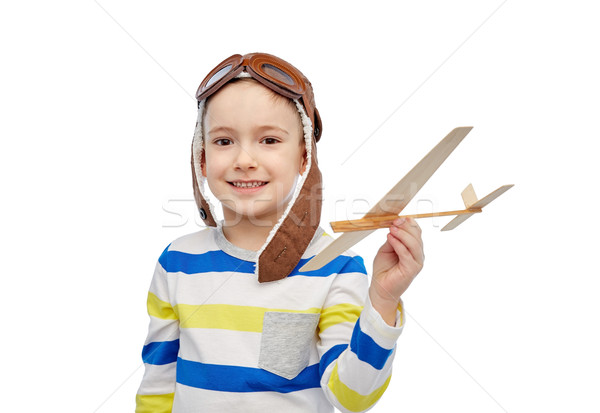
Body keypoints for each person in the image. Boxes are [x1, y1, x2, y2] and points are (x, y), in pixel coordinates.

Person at [135, 53, 424, 413]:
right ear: (202, 158)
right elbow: (158, 382)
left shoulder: (335, 267)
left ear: (304, 156)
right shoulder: (177, 263)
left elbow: (352, 397)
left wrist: (382, 300)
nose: (244, 159)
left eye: (269, 140)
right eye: (224, 141)